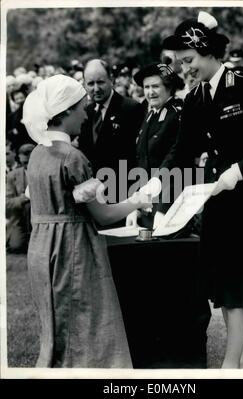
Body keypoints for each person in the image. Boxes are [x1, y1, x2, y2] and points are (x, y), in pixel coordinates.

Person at [163, 10, 243, 368]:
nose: (184, 69)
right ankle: (242, 361)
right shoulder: (196, 97)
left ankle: (230, 365)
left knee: (238, 287)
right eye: (179, 63)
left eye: (188, 60)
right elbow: (182, 149)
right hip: (217, 202)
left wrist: (237, 171)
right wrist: (159, 178)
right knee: (223, 288)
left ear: (207, 52)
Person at [22, 74, 152, 368]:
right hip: (72, 249)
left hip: (41, 248)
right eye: (81, 107)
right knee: (86, 326)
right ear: (65, 111)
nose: (85, 113)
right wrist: (139, 200)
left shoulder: (36, 155)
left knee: (56, 325)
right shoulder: (72, 158)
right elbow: (103, 214)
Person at [78, 59, 145, 202]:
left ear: (111, 80)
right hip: (95, 199)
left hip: (123, 195)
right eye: (90, 83)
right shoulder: (86, 113)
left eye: (100, 82)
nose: (96, 89)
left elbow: (137, 157)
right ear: (84, 84)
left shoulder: (131, 109)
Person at [126, 63, 184, 229]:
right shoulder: (150, 115)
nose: (150, 92)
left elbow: (176, 160)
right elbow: (141, 162)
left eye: (155, 86)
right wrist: (135, 205)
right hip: (148, 204)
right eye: (146, 87)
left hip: (170, 202)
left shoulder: (177, 114)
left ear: (169, 87)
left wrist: (163, 208)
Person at [6, 143, 35, 253]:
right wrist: (23, 198)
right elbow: (6, 202)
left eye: (30, 162)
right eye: (24, 163)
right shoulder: (12, 176)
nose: (27, 166)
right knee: (15, 246)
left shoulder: (45, 173)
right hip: (20, 219)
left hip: (41, 216)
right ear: (19, 158)